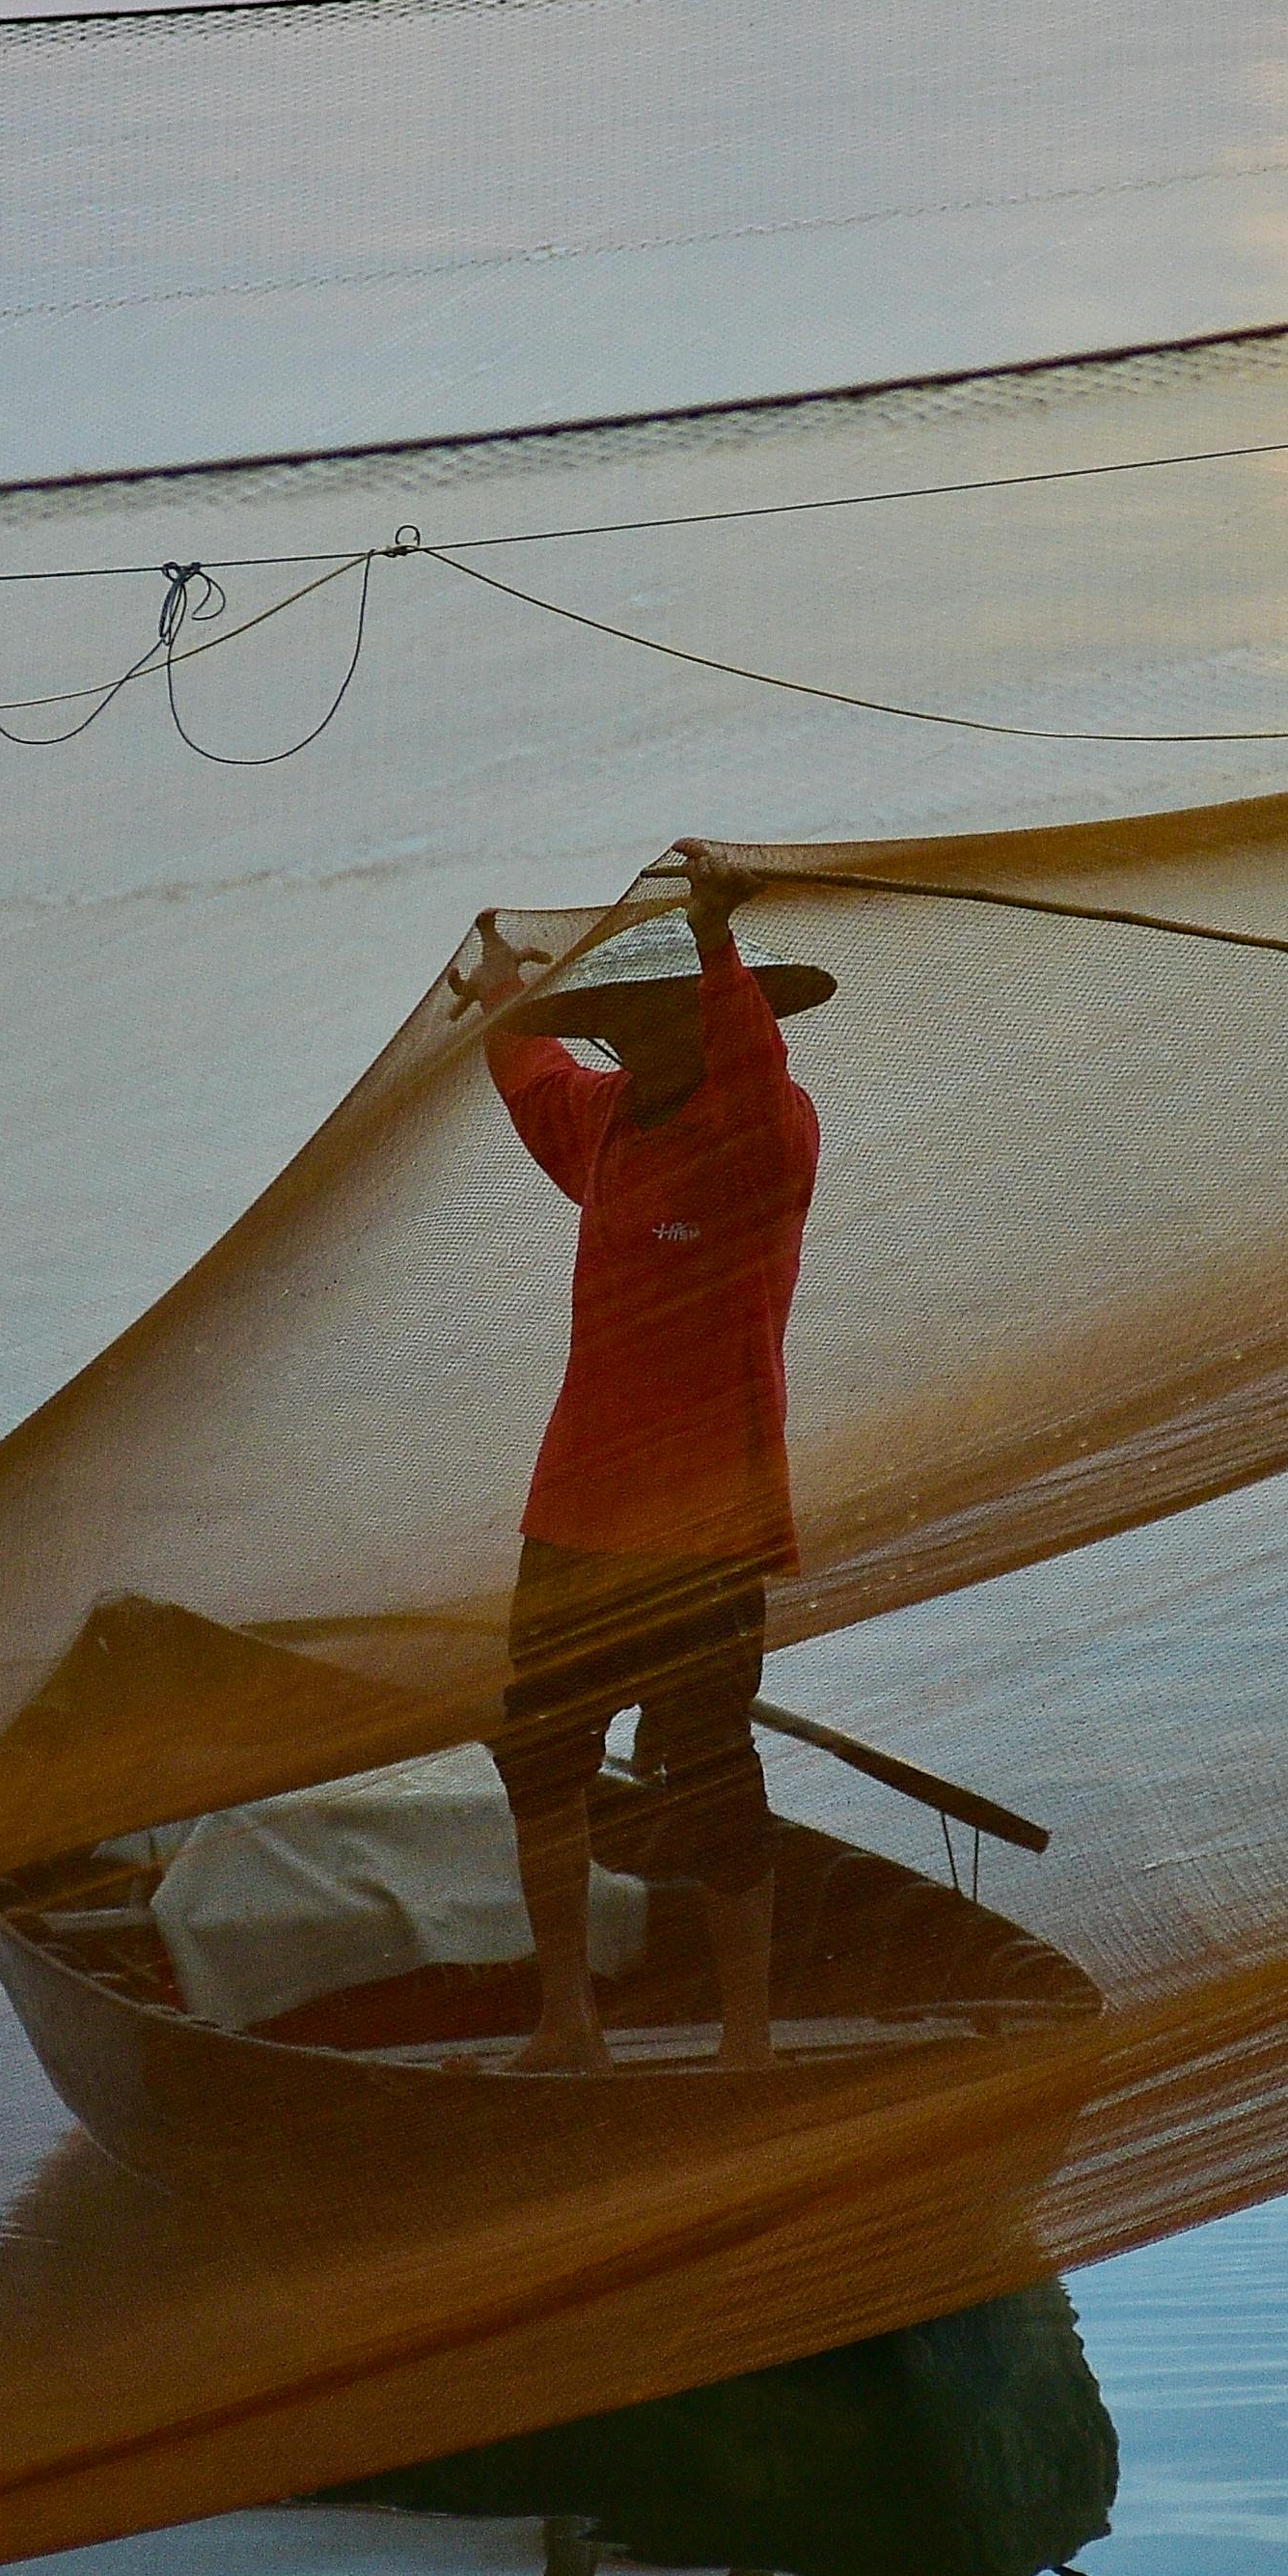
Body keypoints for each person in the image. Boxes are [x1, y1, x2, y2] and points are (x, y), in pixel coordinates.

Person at [465, 840, 828, 2073]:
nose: (643, 1037)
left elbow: (750, 1070)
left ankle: (745, 2044)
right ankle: (568, 2021)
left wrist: (719, 943)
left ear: (717, 1015)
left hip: (705, 1527)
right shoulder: (609, 1125)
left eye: (685, 1006)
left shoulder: (765, 1138)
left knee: (712, 1772)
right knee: (540, 1756)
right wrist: (506, 1003)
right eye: (631, 1019)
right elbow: (532, 1082)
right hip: (574, 1510)